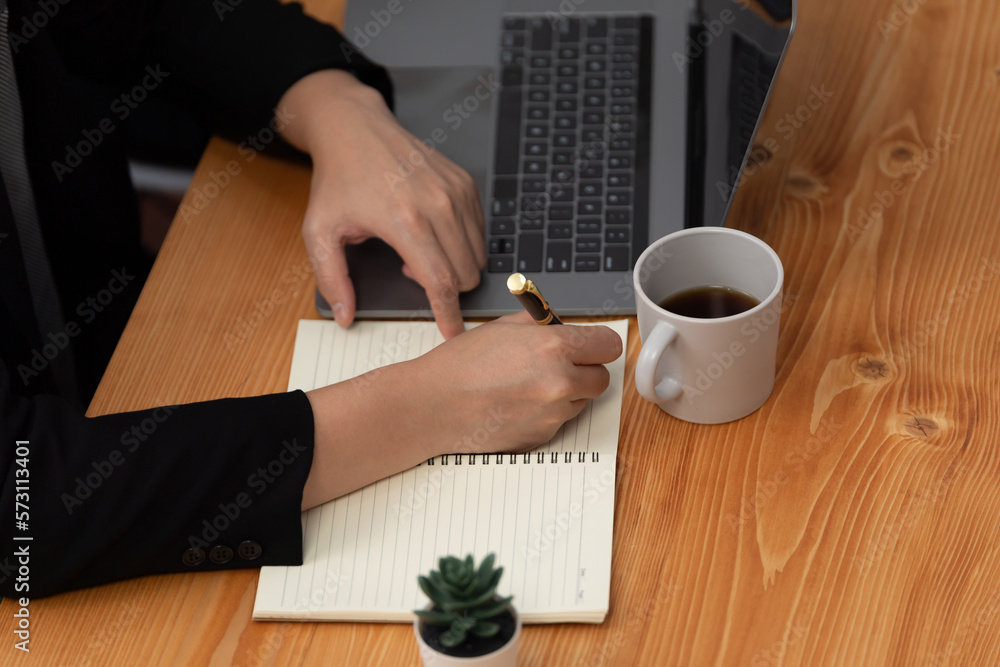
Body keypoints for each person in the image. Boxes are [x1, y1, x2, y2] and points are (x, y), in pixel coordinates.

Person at [0, 0, 623, 598]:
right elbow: (22, 500)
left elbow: (153, 13)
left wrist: (336, 109)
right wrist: (425, 407)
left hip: (117, 346)